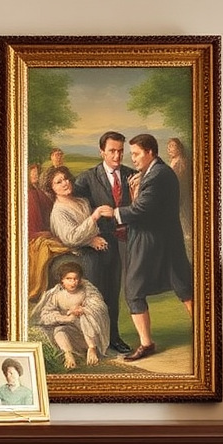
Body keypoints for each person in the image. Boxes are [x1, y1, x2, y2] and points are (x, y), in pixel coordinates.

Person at [112, 132, 193, 361]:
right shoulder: (155, 172)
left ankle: (148, 343)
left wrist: (115, 212)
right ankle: (204, 334)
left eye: (136, 154)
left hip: (153, 242)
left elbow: (141, 210)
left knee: (134, 289)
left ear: (150, 152)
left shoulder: (158, 175)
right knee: (183, 285)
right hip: (164, 241)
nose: (133, 159)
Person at [74, 130, 132, 354]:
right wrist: (89, 237)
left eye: (120, 151)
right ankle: (92, 343)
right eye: (112, 151)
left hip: (122, 245)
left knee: (113, 294)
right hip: (96, 246)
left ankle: (113, 337)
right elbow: (77, 212)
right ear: (101, 152)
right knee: (95, 295)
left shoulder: (131, 175)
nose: (117, 156)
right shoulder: (87, 179)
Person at [44, 164, 111, 291]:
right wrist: (93, 221)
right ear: (51, 189)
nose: (65, 183)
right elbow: (71, 238)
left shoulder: (82, 202)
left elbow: (93, 229)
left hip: (94, 249)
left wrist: (94, 237)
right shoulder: (59, 212)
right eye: (59, 182)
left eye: (65, 179)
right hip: (77, 254)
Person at [33, 261, 110, 368]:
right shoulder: (57, 295)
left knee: (84, 316)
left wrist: (83, 309)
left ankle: (92, 349)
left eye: (75, 279)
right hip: (71, 337)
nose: (73, 282)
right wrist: (65, 318)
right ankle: (68, 354)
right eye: (69, 279)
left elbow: (98, 307)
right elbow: (46, 314)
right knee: (58, 330)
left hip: (88, 335)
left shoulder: (86, 291)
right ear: (62, 280)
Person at [165, 136, 193, 253]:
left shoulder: (182, 162)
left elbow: (180, 179)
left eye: (172, 147)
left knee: (183, 214)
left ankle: (188, 235)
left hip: (181, 193)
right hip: (174, 193)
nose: (170, 149)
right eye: (169, 147)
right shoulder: (173, 161)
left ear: (179, 148)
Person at [27, 162, 53, 238]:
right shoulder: (30, 194)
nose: (35, 175)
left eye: (37, 173)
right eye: (33, 173)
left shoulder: (38, 190)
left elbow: (49, 206)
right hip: (37, 233)